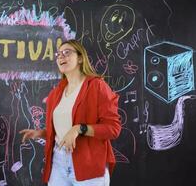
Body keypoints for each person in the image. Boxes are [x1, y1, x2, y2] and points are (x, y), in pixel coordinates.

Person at [20, 39, 121, 186]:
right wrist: (42, 133)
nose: (61, 57)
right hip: (58, 162)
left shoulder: (97, 86)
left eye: (67, 52)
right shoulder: (56, 93)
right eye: (58, 54)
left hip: (88, 163)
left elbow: (113, 129)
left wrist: (79, 128)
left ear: (80, 58)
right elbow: (63, 129)